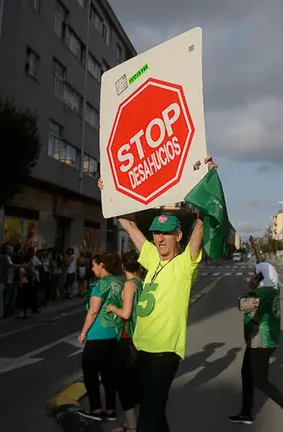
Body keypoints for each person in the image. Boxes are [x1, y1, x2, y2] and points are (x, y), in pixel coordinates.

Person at [96, 155, 215, 432]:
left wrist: (206, 181)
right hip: (139, 346)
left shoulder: (185, 264)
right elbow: (129, 225)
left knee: (150, 415)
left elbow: (199, 225)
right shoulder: (151, 258)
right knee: (134, 395)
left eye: (166, 233)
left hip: (162, 354)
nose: (159, 238)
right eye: (156, 233)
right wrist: (110, 193)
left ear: (178, 237)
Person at [230, 237, 283, 430]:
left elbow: (242, 305)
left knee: (260, 380)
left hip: (261, 341)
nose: (254, 276)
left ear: (259, 279)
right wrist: (256, 249)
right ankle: (246, 412)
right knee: (246, 374)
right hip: (260, 338)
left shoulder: (260, 294)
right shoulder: (273, 287)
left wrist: (251, 287)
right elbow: (262, 265)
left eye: (256, 275)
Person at [77, 253, 123, 421]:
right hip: (113, 333)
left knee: (89, 370)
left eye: (94, 265)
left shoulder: (100, 284)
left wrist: (83, 333)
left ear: (102, 265)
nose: (92, 268)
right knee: (109, 373)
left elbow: (94, 310)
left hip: (98, 333)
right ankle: (111, 409)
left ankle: (96, 409)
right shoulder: (118, 283)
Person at [105, 250, 143, 432]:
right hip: (140, 339)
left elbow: (126, 313)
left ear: (123, 267)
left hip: (128, 339)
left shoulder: (129, 285)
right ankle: (131, 422)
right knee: (135, 382)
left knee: (124, 383)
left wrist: (112, 307)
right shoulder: (142, 283)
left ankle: (131, 426)